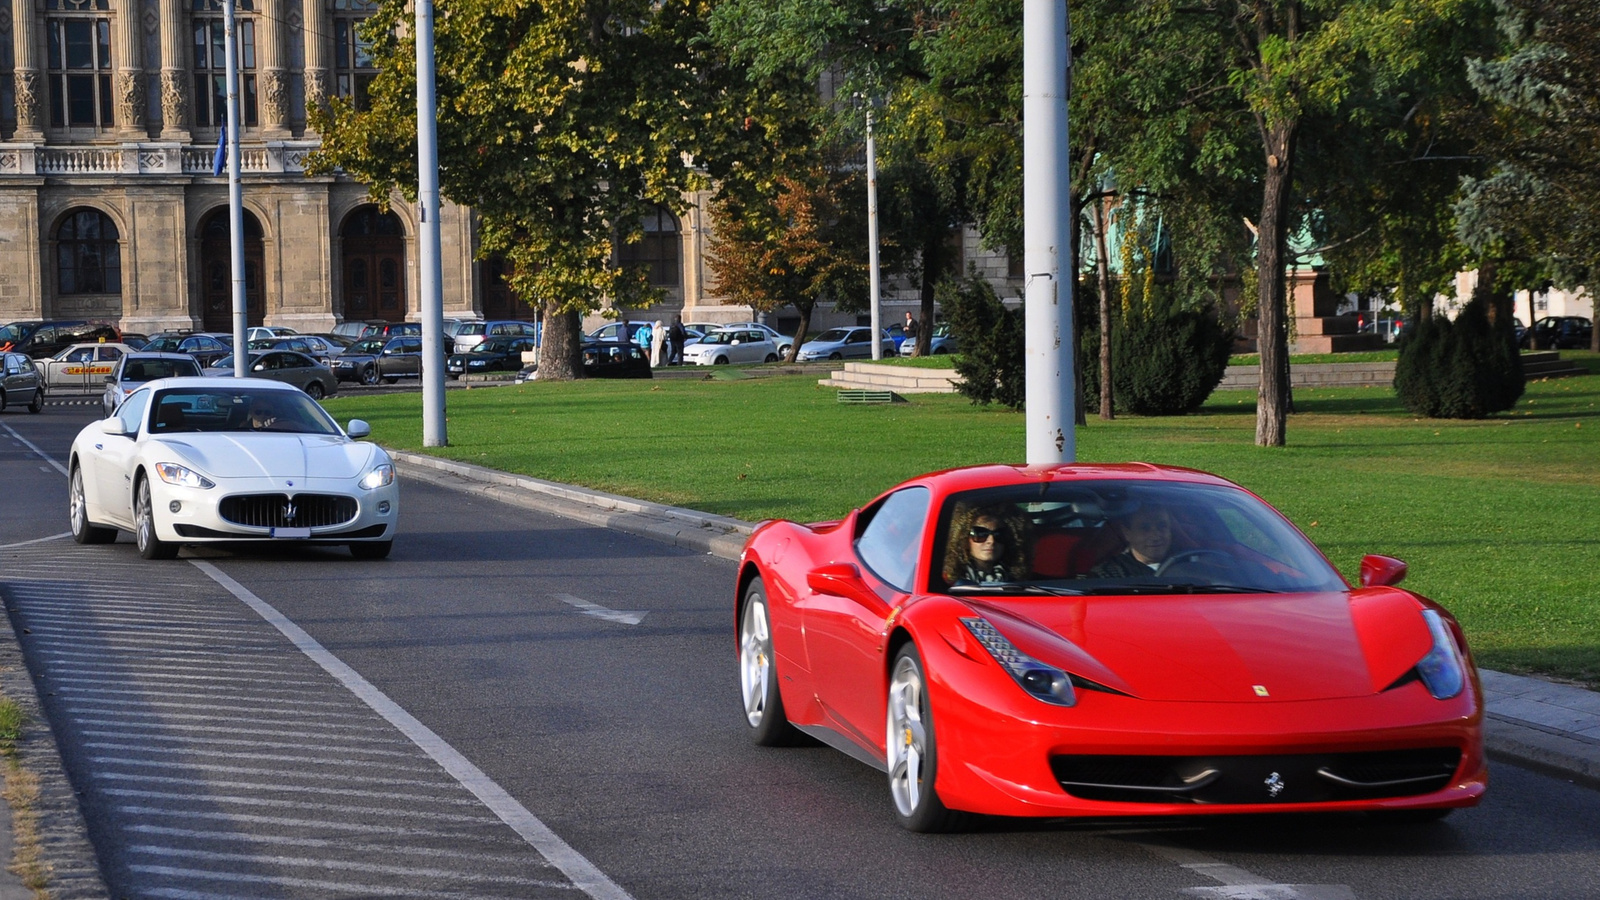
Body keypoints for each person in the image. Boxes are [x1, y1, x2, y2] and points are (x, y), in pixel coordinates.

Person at [942, 502, 1030, 585]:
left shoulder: (1022, 584)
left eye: (999, 534)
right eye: (981, 534)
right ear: (963, 538)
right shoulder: (947, 583)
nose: (991, 541)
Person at [1090, 503, 1176, 577]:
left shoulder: (1187, 564)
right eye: (1145, 528)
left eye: (1162, 526)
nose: (1155, 536)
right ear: (1127, 533)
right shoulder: (1107, 575)